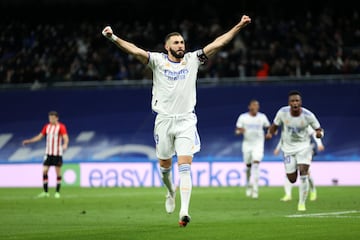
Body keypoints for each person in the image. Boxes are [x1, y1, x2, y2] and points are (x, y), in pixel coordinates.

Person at [102, 15, 252, 226]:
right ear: (167, 47)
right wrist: (113, 38)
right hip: (163, 121)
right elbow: (134, 50)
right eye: (176, 42)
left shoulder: (193, 59)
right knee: (165, 167)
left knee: (185, 166)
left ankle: (184, 211)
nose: (181, 45)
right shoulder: (157, 61)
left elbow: (219, 42)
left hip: (186, 121)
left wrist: (238, 25)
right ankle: (170, 191)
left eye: (182, 42)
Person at [266, 90, 324, 211]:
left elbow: (319, 129)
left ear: (300, 102)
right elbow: (275, 125)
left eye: (297, 100)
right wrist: (270, 133)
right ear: (289, 103)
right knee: (292, 179)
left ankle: (302, 203)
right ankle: (298, 184)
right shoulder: (282, 112)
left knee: (303, 172)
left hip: (304, 147)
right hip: (288, 149)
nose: (295, 103)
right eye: (292, 101)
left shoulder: (308, 115)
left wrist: (319, 135)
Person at [22, 111, 69, 198]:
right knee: (44, 171)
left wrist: (65, 144)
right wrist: (29, 141)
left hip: (57, 153)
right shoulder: (46, 127)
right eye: (50, 118)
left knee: (58, 173)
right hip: (48, 153)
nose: (51, 119)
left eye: (53, 118)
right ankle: (45, 192)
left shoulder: (61, 127)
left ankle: (57, 192)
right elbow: (39, 137)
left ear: (57, 118)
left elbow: (65, 137)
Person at [274, 125, 325, 202]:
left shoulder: (305, 123)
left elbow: (314, 134)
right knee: (289, 173)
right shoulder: (287, 124)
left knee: (305, 172)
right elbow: (283, 138)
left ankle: (313, 191)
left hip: (303, 151)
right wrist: (277, 148)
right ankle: (288, 194)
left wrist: (319, 144)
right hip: (290, 151)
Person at [235, 99, 270, 199]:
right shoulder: (243, 117)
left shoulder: (262, 117)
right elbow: (237, 130)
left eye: (257, 105)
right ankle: (248, 185)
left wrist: (269, 133)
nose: (256, 107)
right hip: (247, 144)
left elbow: (268, 127)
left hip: (258, 144)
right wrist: (239, 131)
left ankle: (255, 189)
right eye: (254, 105)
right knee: (248, 167)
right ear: (249, 107)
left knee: (256, 164)